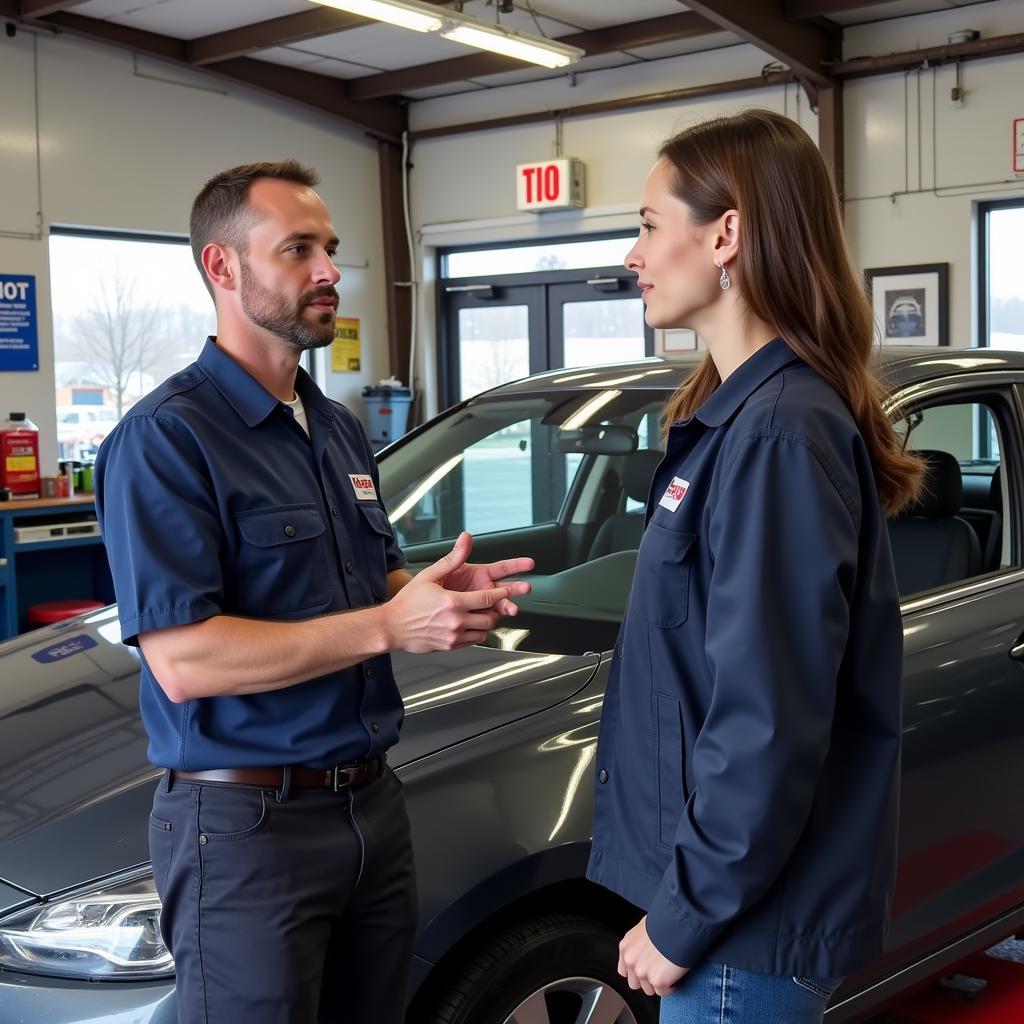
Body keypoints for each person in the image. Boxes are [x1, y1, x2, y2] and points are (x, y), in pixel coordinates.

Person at [94, 160, 533, 1024]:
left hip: (372, 806)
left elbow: (375, 578)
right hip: (249, 829)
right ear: (223, 268)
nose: (329, 269)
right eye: (298, 249)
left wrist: (439, 593)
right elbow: (184, 661)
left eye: (329, 247)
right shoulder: (165, 441)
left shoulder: (333, 427)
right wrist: (387, 624)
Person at [585, 110, 923, 1023]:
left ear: (726, 232)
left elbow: (767, 719)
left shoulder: (775, 431)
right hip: (738, 914)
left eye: (650, 224)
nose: (633, 253)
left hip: (742, 932)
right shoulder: (739, 416)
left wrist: (681, 919)